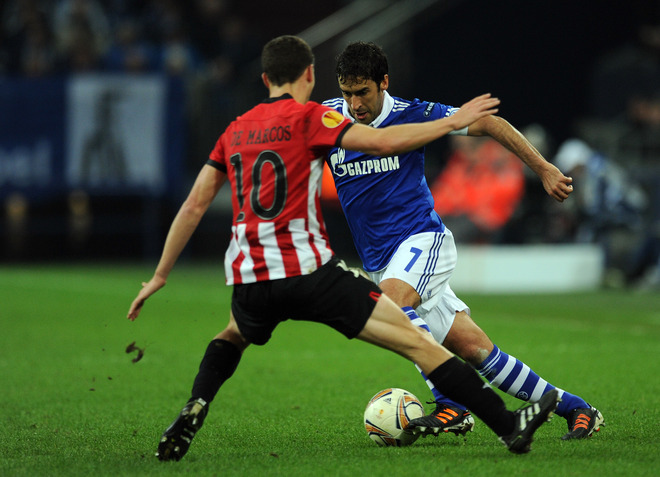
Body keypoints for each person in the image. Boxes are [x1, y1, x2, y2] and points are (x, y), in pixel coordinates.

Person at [127, 35, 559, 462]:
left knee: (231, 336)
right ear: (311, 75)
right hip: (311, 272)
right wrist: (451, 122)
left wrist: (161, 274)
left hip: (252, 275)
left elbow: (194, 204)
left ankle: (196, 404)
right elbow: (385, 142)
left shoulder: (235, 130)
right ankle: (507, 425)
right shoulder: (312, 118)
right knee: (415, 340)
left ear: (264, 79)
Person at [322, 41, 603, 441]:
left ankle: (451, 403)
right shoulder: (329, 119)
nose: (354, 104)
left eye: (363, 92)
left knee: (392, 305)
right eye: (347, 93)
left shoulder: (413, 114)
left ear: (384, 82)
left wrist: (543, 168)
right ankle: (578, 408)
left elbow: (489, 124)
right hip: (382, 259)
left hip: (422, 240)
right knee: (475, 349)